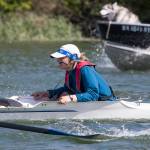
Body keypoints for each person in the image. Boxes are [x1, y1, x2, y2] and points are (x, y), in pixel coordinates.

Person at [32, 44, 115, 104]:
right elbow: (68, 89)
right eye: (58, 58)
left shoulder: (85, 70)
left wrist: (70, 98)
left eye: (62, 58)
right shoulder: (70, 69)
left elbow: (93, 94)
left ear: (73, 58)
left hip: (105, 103)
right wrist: (48, 93)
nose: (58, 60)